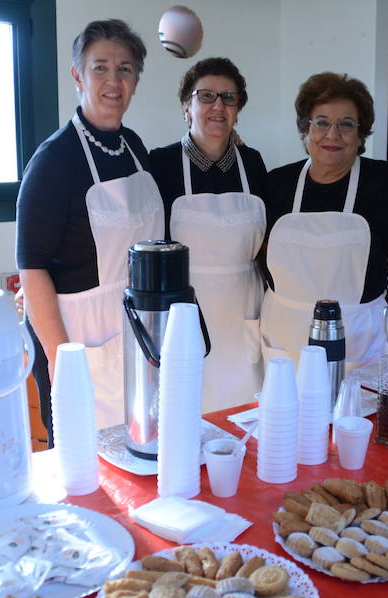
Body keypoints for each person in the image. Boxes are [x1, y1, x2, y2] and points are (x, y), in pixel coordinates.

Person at [16, 19, 163, 434]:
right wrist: (63, 360)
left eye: (125, 69)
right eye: (100, 67)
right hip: (80, 337)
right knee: (85, 466)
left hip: (136, 329)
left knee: (140, 449)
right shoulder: (54, 160)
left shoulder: (134, 146)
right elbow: (32, 266)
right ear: (77, 74)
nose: (114, 80)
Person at [261, 72, 388, 369]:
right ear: (306, 130)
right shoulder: (277, 184)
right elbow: (262, 257)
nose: (332, 135)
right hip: (285, 338)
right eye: (321, 122)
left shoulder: (384, 182)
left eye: (346, 124)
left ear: (360, 135)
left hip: (362, 340)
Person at [149, 57, 268, 412]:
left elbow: (270, 245)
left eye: (228, 98)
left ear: (238, 110)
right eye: (206, 96)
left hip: (246, 309)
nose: (218, 106)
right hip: (185, 313)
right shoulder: (160, 164)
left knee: (247, 414)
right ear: (186, 107)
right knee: (188, 411)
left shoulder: (253, 163)